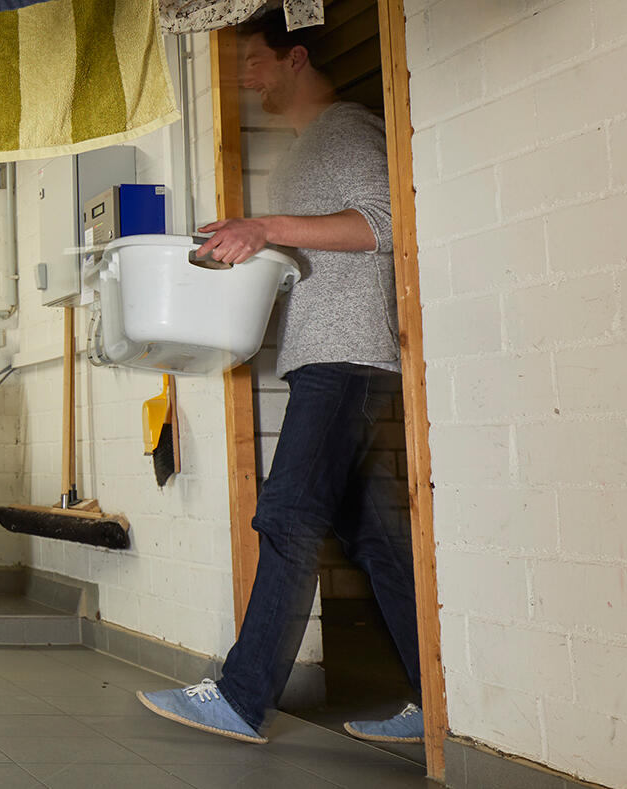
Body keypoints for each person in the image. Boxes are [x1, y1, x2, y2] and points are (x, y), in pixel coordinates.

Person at [137, 11, 424, 745]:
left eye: (254, 61)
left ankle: (241, 697)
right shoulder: (301, 152)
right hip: (329, 360)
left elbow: (385, 223)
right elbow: (318, 251)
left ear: (296, 58)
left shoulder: (348, 127)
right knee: (380, 541)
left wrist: (265, 227)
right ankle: (440, 700)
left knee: (289, 516)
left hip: (347, 360)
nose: (243, 75)